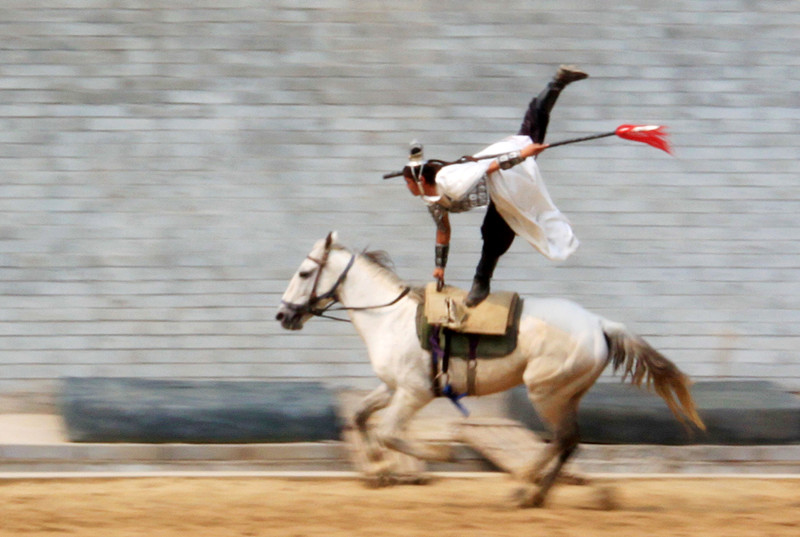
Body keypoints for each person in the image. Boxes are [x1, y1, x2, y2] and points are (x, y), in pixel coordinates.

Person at [402, 65, 587, 306]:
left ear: (420, 180)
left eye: (408, 183)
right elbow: (443, 230)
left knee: (495, 230)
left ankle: (481, 281)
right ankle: (558, 82)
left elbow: (488, 168)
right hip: (499, 182)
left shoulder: (446, 179)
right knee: (533, 125)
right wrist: (440, 267)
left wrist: (522, 155)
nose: (407, 188)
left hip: (504, 175)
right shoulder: (433, 200)